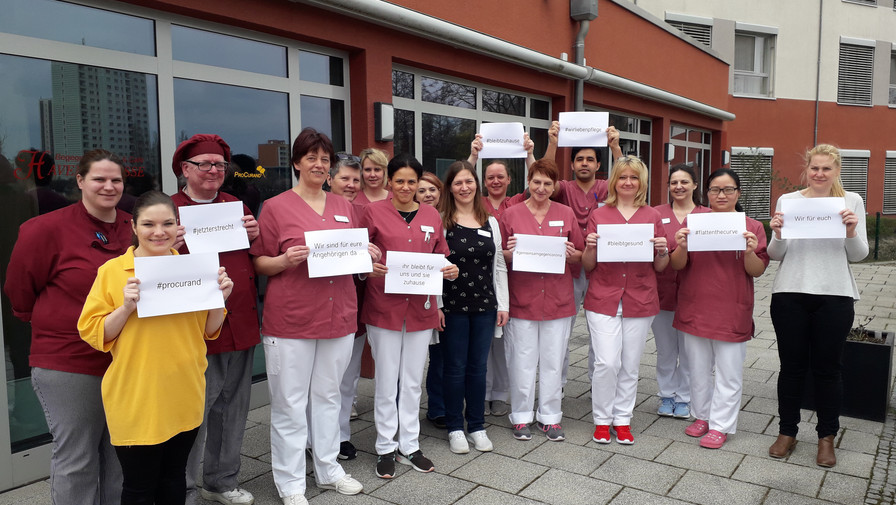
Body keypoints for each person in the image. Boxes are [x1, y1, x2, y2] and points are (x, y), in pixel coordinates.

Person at [78, 190, 232, 504]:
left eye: (167, 223)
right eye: (149, 224)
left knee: (174, 478)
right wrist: (125, 307)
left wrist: (220, 299)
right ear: (134, 227)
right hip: (137, 395)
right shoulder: (112, 272)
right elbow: (92, 332)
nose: (159, 232)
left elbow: (209, 330)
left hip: (184, 390)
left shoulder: (193, 269)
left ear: (178, 227)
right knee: (138, 486)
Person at [251, 128, 373, 505]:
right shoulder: (276, 207)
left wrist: (369, 253)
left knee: (328, 397)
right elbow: (259, 262)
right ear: (297, 163)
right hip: (292, 321)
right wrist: (284, 261)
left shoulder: (345, 207)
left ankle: (328, 468)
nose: (319, 165)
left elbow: (355, 260)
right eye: (311, 158)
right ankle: (289, 483)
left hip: (338, 318)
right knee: (289, 404)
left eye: (325, 159)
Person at [5, 149, 128, 505]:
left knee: (120, 455)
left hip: (125, 360)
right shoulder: (45, 229)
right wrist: (51, 323)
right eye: (99, 179)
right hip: (69, 361)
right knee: (78, 458)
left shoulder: (135, 225)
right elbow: (19, 291)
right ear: (79, 182)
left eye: (115, 180)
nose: (108, 186)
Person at [171, 134, 260, 505]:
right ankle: (185, 489)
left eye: (220, 165)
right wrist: (167, 243)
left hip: (240, 324)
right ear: (185, 170)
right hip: (195, 331)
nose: (213, 170)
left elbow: (251, 258)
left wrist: (254, 236)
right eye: (204, 163)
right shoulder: (167, 210)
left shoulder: (235, 207)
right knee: (192, 415)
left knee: (233, 410)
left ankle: (221, 481)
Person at [767, 144, 868, 467]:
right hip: (791, 292)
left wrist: (851, 230)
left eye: (826, 169)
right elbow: (775, 254)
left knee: (828, 370)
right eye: (814, 168)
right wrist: (778, 233)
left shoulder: (851, 201)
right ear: (806, 170)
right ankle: (787, 432)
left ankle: (827, 437)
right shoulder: (789, 201)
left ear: (836, 171)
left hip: (835, 294)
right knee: (791, 368)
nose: (820, 174)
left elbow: (859, 254)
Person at [360, 153, 458, 479]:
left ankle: (410, 445)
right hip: (383, 308)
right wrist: (367, 268)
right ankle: (386, 446)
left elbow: (441, 255)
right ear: (390, 182)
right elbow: (360, 257)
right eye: (399, 180)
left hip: (421, 309)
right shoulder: (372, 213)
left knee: (413, 381)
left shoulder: (431, 214)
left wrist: (450, 270)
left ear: (419, 183)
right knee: (387, 381)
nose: (405, 187)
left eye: (411, 181)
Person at [670, 169, 769, 450]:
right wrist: (681, 246)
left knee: (728, 371)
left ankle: (721, 424)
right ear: (707, 193)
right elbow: (678, 265)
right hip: (695, 304)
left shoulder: (752, 227)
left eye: (727, 189)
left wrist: (749, 251)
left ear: (738, 193)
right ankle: (702, 415)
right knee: (697, 368)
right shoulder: (694, 222)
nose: (721, 195)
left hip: (731, 308)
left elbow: (757, 270)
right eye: (715, 189)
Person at [582, 156, 668, 446]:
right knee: (606, 362)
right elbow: (588, 265)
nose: (628, 182)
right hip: (603, 296)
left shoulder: (652, 216)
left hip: (640, 297)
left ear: (641, 181)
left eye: (633, 177)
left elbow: (659, 266)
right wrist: (590, 247)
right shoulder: (599, 214)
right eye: (622, 177)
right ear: (614, 181)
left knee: (630, 364)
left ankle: (623, 419)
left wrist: (662, 250)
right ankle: (602, 420)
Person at [500, 159, 583, 442]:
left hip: (558, 300)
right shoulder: (510, 215)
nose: (541, 188)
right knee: (522, 359)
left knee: (552, 360)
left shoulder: (566, 213)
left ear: (555, 185)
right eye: (536, 182)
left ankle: (549, 418)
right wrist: (509, 254)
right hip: (522, 298)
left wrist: (572, 253)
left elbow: (581, 255)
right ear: (529, 181)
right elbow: (498, 258)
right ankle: (521, 417)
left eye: (548, 183)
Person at [437, 161, 509, 454]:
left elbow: (500, 263)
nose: (464, 188)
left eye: (469, 182)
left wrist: (503, 303)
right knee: (454, 368)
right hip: (452, 305)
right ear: (450, 188)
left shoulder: (489, 221)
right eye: (458, 183)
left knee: (479, 369)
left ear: (476, 185)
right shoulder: (441, 220)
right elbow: (435, 265)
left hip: (484, 305)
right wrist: (438, 305)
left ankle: (477, 426)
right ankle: (455, 427)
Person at [546, 121, 623, 387]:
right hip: (567, 270)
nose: (584, 163)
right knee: (562, 331)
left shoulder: (606, 188)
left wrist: (615, 148)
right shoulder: (564, 189)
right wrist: (553, 143)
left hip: (601, 269)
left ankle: (598, 383)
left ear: (598, 165)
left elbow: (627, 177)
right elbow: (544, 176)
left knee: (600, 331)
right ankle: (559, 384)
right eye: (579, 159)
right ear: (572, 165)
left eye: (590, 159)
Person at [651, 163, 709, 420]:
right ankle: (666, 394)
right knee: (665, 349)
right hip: (662, 293)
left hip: (694, 295)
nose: (679, 187)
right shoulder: (655, 213)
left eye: (684, 182)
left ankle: (684, 398)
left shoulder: (707, 215)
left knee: (689, 351)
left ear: (695, 185)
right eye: (674, 182)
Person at [326, 151, 366, 461]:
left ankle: (339, 436)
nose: (351, 185)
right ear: (330, 179)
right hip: (321, 308)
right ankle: (315, 438)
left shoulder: (362, 213)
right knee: (323, 382)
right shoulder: (316, 212)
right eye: (345, 178)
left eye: (356, 179)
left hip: (356, 307)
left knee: (347, 378)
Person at [416, 171, 448, 429]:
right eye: (422, 190)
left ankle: (439, 407)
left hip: (451, 298)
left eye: (432, 190)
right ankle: (430, 408)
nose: (428, 195)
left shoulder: (449, 219)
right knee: (422, 360)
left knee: (443, 358)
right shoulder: (413, 220)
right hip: (424, 299)